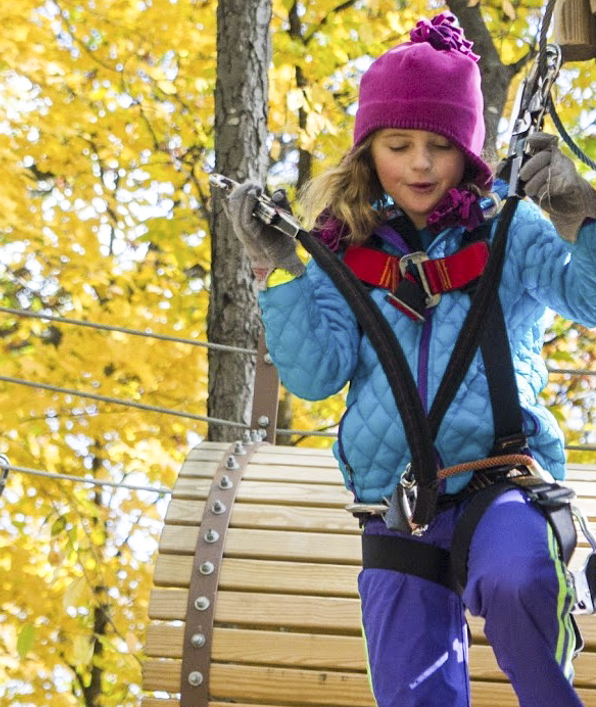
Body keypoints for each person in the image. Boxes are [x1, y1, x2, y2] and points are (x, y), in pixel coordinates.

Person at [224, 12, 596, 707]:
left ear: (469, 154)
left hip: (500, 484)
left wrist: (582, 215)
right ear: (369, 152)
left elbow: (590, 299)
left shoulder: (510, 230)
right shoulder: (344, 255)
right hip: (402, 507)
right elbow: (315, 373)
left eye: (439, 146)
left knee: (519, 578)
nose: (420, 164)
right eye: (399, 145)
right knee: (410, 688)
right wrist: (278, 270)